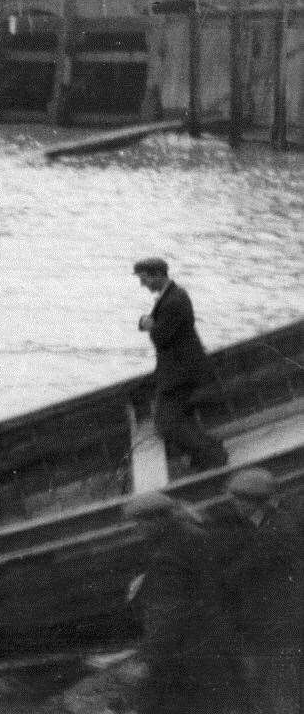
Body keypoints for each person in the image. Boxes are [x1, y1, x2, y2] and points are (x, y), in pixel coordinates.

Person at [122, 492, 245, 714]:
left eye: (140, 522)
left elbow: (168, 614)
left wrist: (147, 659)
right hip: (218, 636)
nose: (137, 529)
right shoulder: (195, 533)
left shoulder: (166, 555)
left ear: (158, 520)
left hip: (189, 648)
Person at [211, 468, 304, 714]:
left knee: (282, 692)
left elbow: (242, 570)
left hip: (281, 626)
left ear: (251, 501)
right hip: (269, 624)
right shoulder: (261, 525)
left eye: (237, 499)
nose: (234, 505)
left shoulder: (278, 531)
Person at [134, 257, 229, 472]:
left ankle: (212, 457)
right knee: (176, 418)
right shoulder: (170, 296)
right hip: (179, 370)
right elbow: (161, 327)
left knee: (166, 422)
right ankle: (208, 454)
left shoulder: (174, 300)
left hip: (182, 373)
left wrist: (150, 326)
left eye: (144, 279)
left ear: (158, 274)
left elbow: (161, 337)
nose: (142, 284)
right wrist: (149, 323)